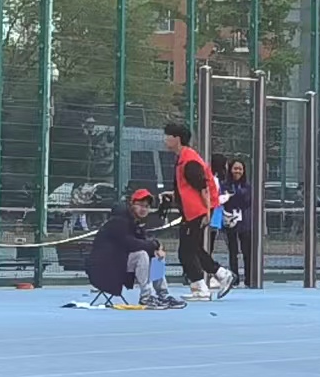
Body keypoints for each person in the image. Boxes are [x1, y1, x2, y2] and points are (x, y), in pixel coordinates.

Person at [164, 120, 234, 301]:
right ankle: (219, 275)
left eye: (168, 136)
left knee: (186, 252)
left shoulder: (189, 160)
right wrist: (174, 195)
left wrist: (207, 212)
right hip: (193, 211)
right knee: (193, 248)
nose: (165, 140)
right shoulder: (183, 158)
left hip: (196, 212)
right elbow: (190, 187)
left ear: (177, 138)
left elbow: (203, 187)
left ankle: (203, 286)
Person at [86, 188, 186, 309]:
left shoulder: (134, 222)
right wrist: (154, 245)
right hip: (104, 267)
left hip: (119, 262)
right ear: (132, 204)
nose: (144, 209)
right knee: (141, 255)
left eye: (147, 206)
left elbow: (143, 240)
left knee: (156, 256)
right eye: (140, 205)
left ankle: (163, 295)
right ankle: (146, 297)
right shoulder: (119, 221)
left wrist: (157, 247)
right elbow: (129, 243)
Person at [220, 158, 254, 286]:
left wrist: (234, 195)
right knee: (232, 251)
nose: (237, 171)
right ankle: (234, 278)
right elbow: (225, 200)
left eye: (240, 169)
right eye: (235, 168)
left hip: (245, 222)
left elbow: (247, 200)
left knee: (247, 251)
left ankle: (249, 278)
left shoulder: (248, 186)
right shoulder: (225, 185)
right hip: (230, 220)